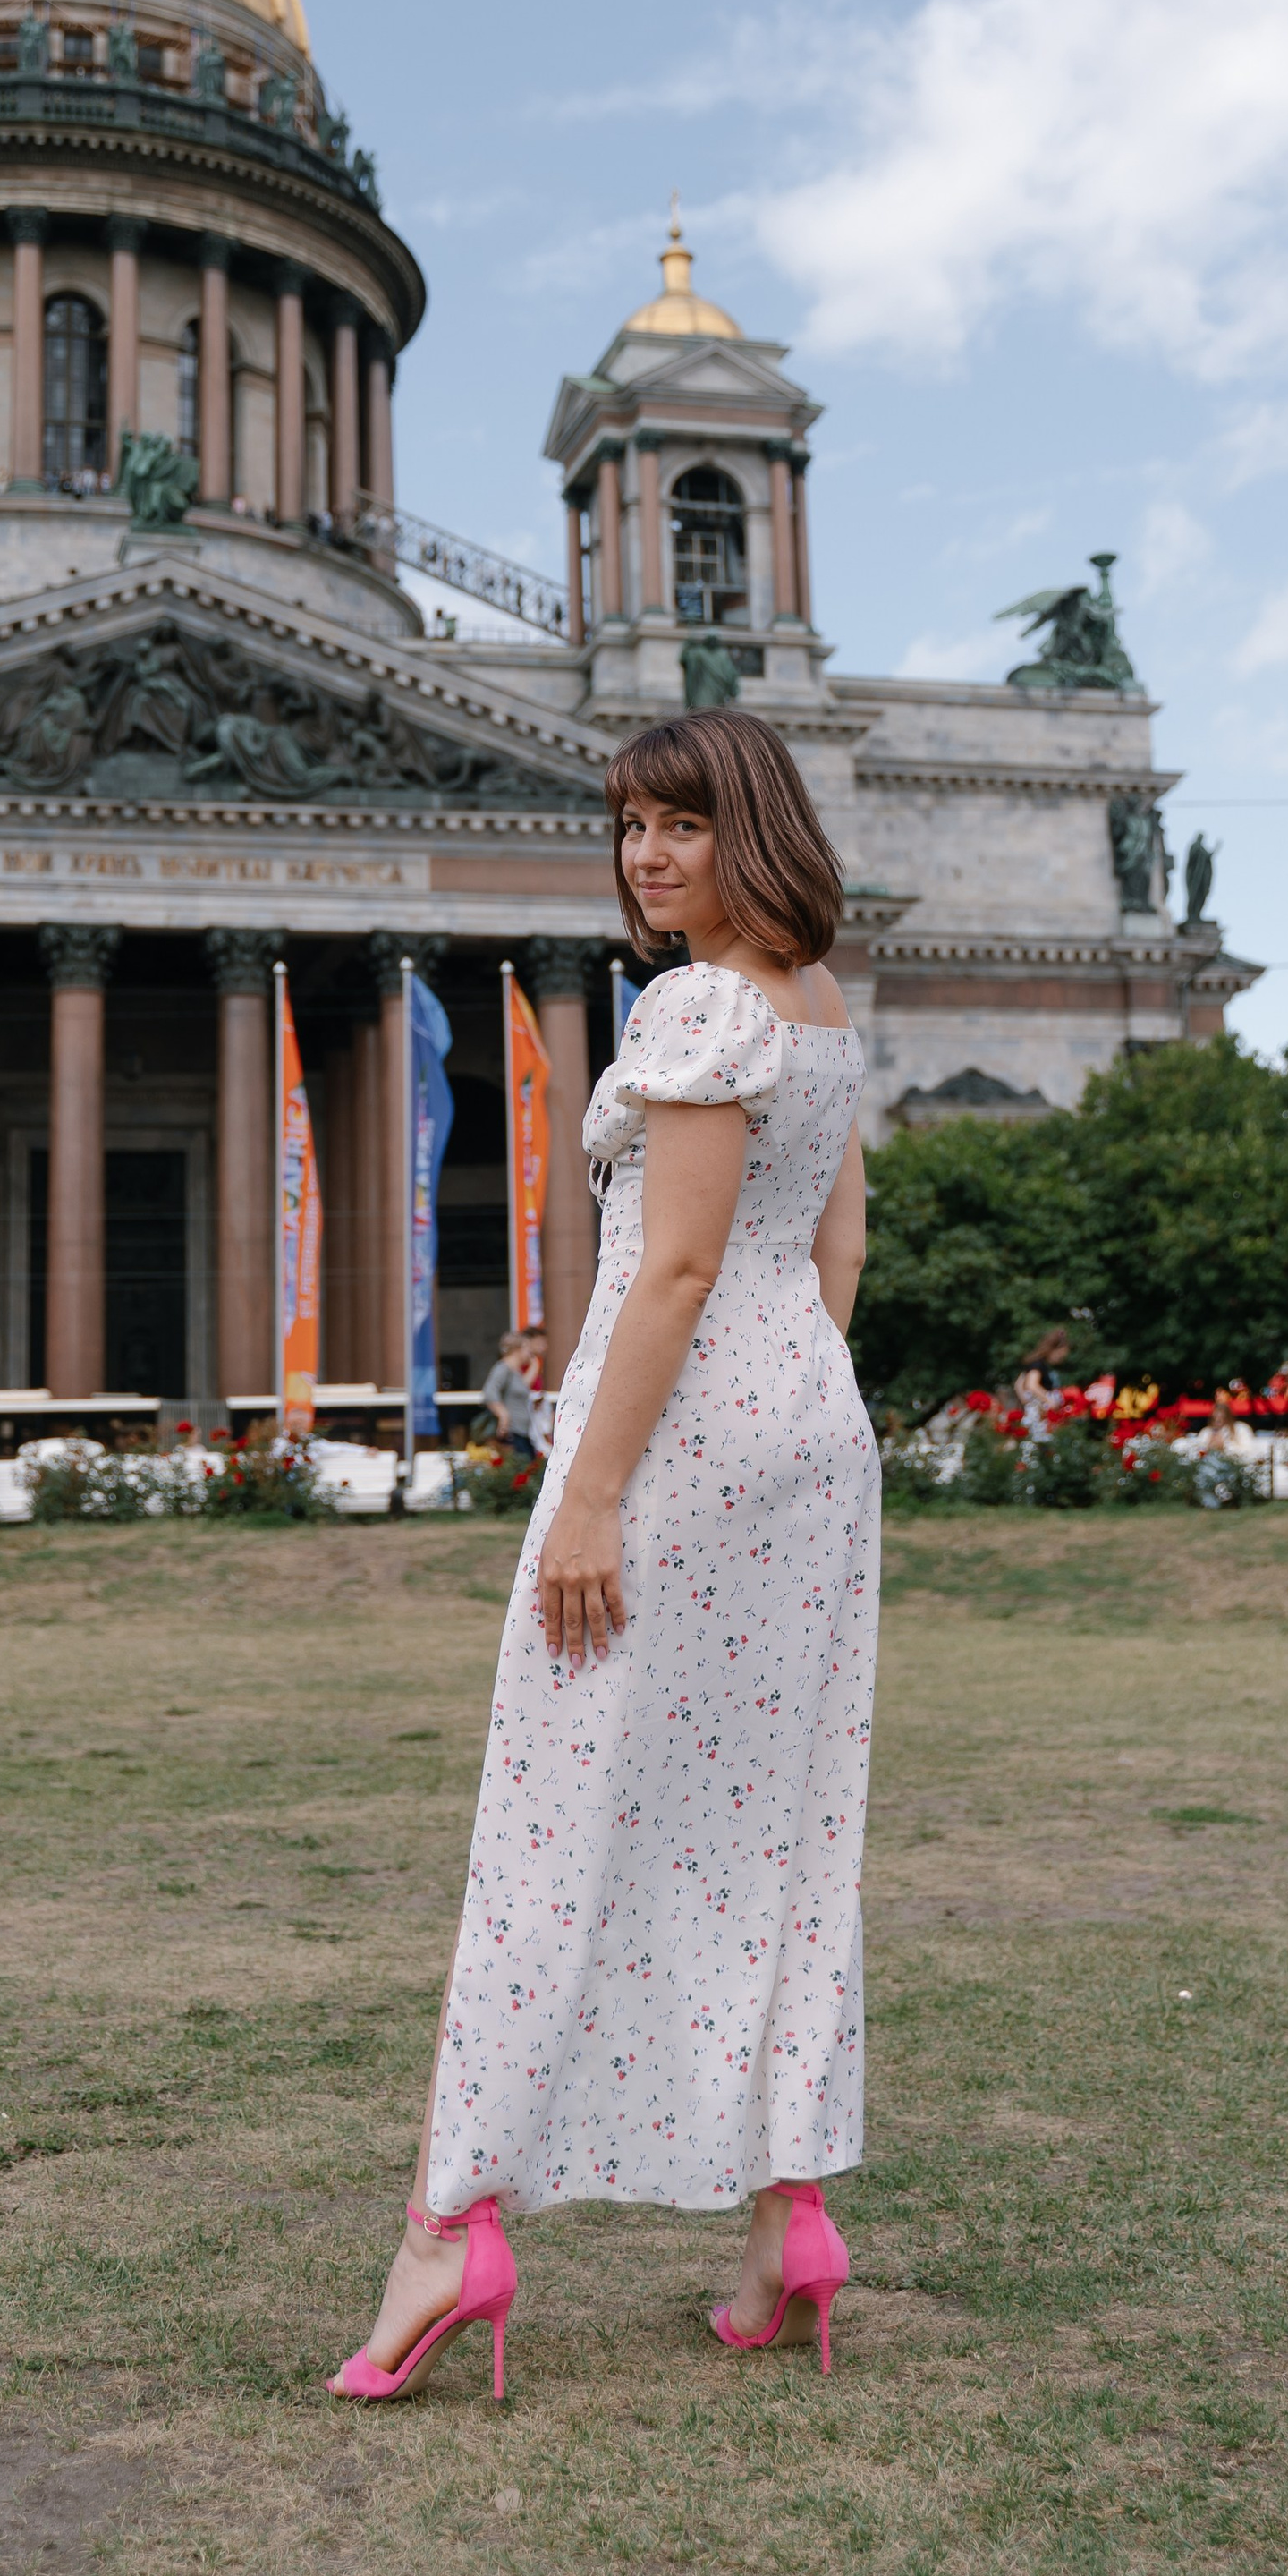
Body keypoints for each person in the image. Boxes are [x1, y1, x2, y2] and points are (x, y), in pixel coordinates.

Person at [330, 706, 877, 2403]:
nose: (646, 855)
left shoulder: (701, 1005)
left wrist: (591, 1492)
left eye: (682, 824)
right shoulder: (819, 1005)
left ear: (752, 830)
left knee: (552, 1829)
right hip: (807, 1439)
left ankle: (451, 2232)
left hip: (678, 1443)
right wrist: (789, 1405)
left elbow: (679, 1269)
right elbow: (836, 1249)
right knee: (777, 1831)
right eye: (631, 824)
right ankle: (787, 2218)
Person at [480, 1332, 538, 1464]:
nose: (530, 1354)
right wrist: (503, 1415)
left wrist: (535, 1366)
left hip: (522, 1433)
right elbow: (489, 1392)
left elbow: (523, 1387)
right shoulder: (503, 1368)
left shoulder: (515, 1371)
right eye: (527, 1349)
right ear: (517, 1349)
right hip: (512, 1433)